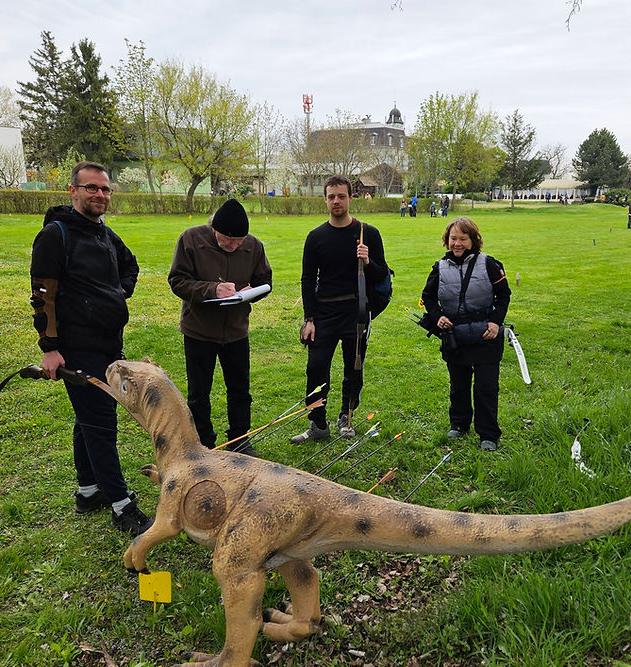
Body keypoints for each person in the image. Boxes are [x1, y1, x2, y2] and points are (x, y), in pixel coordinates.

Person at [29, 161, 152, 535]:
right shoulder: (56, 235)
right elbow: (42, 295)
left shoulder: (104, 234)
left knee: (89, 420)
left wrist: (116, 292)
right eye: (91, 188)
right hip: (77, 346)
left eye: (105, 189)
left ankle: (88, 491)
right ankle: (121, 506)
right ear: (73, 191)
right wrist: (50, 347)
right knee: (101, 423)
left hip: (109, 343)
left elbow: (131, 267)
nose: (100, 195)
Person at [168, 199, 272, 457]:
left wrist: (251, 292)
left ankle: (240, 438)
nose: (234, 246)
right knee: (199, 393)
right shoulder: (191, 239)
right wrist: (211, 289)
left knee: (240, 389)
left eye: (239, 241)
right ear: (214, 228)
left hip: (236, 331)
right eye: (228, 240)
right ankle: (204, 442)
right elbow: (178, 281)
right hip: (199, 330)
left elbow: (265, 280)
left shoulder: (254, 246)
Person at [292, 175, 389, 444]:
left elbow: (382, 274)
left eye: (342, 196)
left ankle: (346, 417)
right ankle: (318, 424)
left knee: (353, 369)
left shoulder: (368, 233)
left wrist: (368, 260)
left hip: (355, 313)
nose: (337, 201)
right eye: (332, 196)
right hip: (323, 314)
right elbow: (308, 279)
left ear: (350, 198)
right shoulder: (315, 237)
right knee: (315, 369)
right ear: (325, 200)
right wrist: (308, 318)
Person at [421, 216, 511, 451]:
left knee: (485, 388)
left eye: (463, 238)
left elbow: (503, 295)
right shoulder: (439, 267)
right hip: (455, 337)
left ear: (473, 240)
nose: (457, 243)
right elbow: (428, 297)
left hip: (486, 336)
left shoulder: (489, 264)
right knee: (458, 385)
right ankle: (459, 424)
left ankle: (488, 435)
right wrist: (437, 316)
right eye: (453, 238)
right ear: (446, 240)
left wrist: (495, 322)